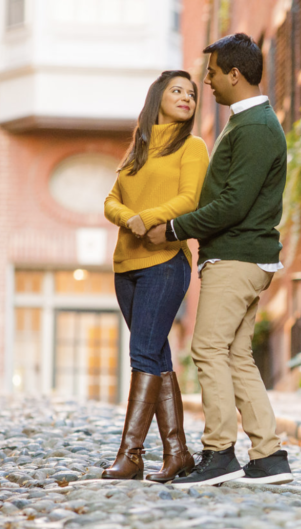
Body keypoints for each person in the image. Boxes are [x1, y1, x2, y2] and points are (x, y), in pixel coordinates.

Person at [146, 34, 293, 486]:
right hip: (245, 256)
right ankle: (268, 456)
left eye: (211, 73)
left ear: (234, 74)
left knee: (207, 348)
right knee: (235, 355)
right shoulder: (250, 122)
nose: (205, 82)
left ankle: (220, 452)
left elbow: (233, 203)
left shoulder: (254, 127)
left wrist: (173, 228)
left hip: (237, 256)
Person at [101, 70, 210, 482]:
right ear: (157, 98)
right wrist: (129, 219)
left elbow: (189, 199)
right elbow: (111, 200)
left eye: (192, 94)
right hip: (125, 265)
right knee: (158, 357)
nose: (186, 98)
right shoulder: (137, 150)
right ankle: (178, 453)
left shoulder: (192, 147)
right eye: (177, 91)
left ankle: (130, 455)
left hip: (165, 263)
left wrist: (146, 218)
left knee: (143, 355)